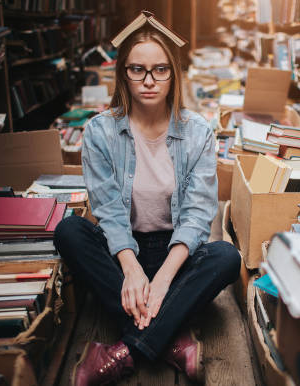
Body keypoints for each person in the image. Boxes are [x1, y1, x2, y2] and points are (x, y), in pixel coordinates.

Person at [54, 21, 241, 386]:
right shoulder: (100, 131)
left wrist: (163, 279)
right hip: (123, 250)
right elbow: (106, 209)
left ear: (173, 73)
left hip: (176, 254)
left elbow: (198, 213)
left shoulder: (198, 131)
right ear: (123, 73)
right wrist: (131, 269)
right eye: (137, 69)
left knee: (225, 258)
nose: (149, 80)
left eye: (160, 69)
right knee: (69, 231)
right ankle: (169, 338)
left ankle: (123, 352)